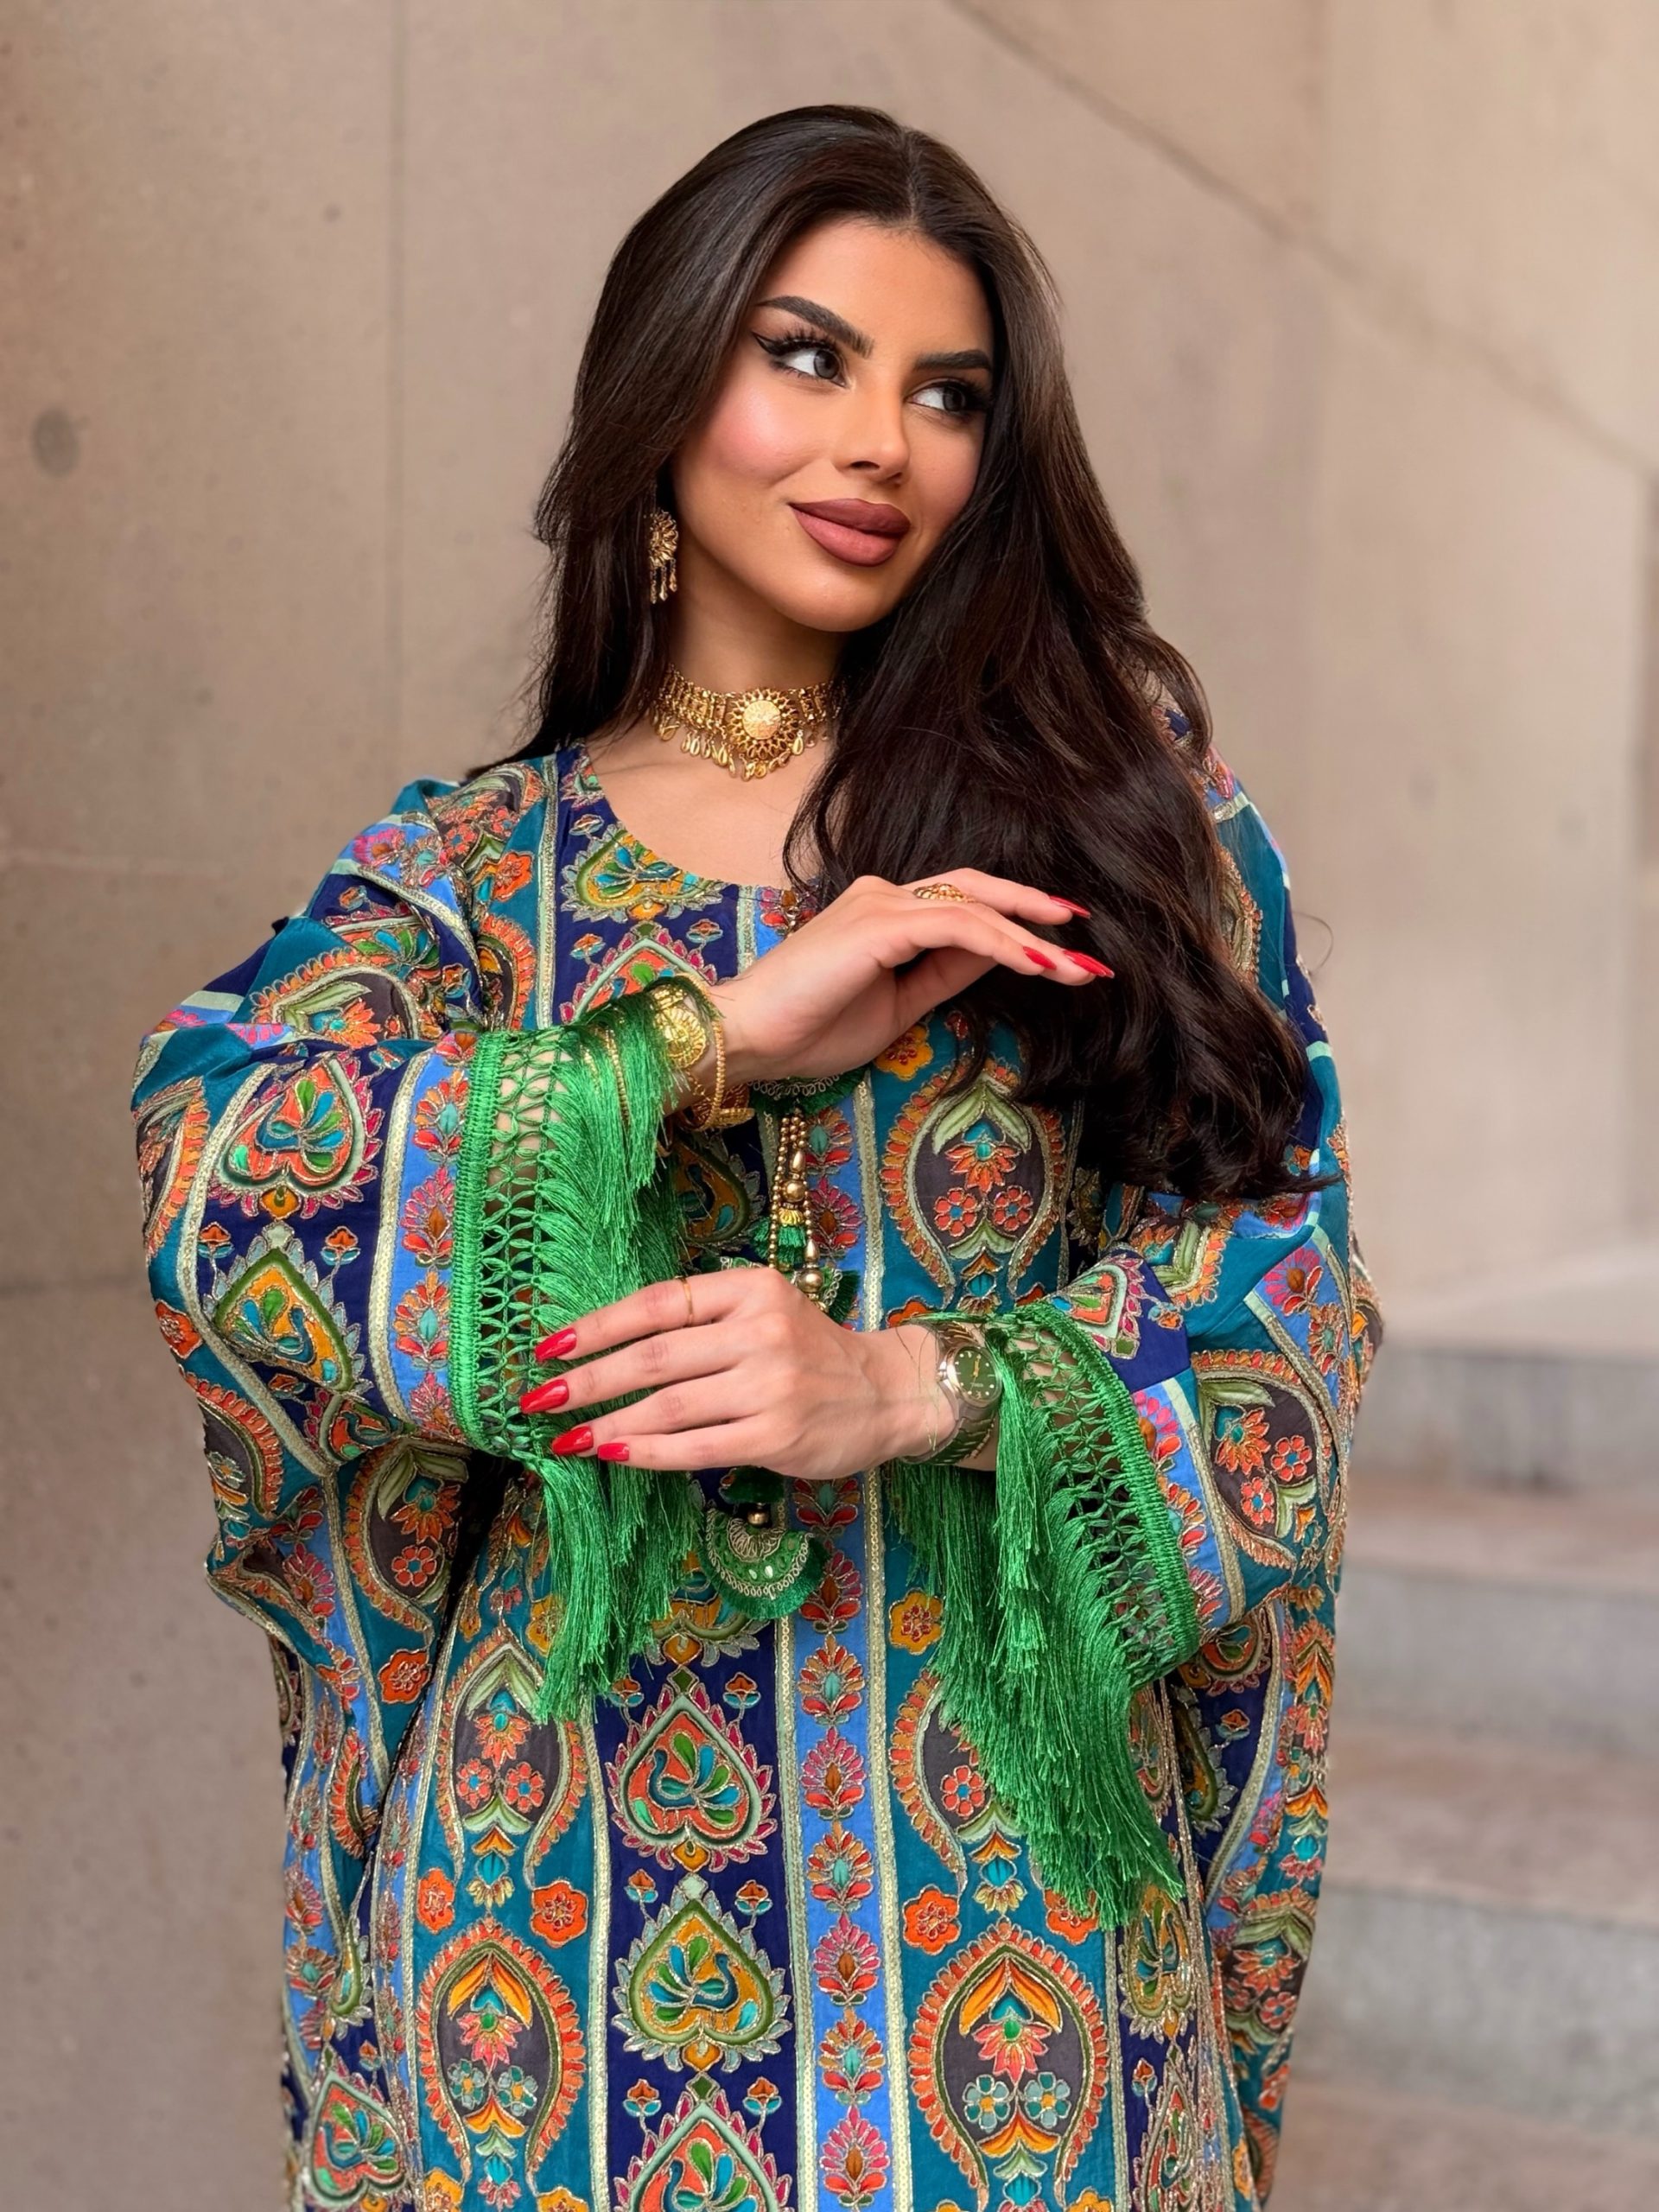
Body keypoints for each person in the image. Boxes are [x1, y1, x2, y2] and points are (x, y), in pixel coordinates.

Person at [132, 104, 1378, 2212]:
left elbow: (1292, 1306)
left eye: (947, 394)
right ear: (668, 374)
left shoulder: (1116, 819)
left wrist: (919, 1385)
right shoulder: (471, 870)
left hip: (1000, 1942)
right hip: (540, 1938)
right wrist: (692, 1047)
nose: (881, 442)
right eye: (808, 357)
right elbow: (213, 1175)